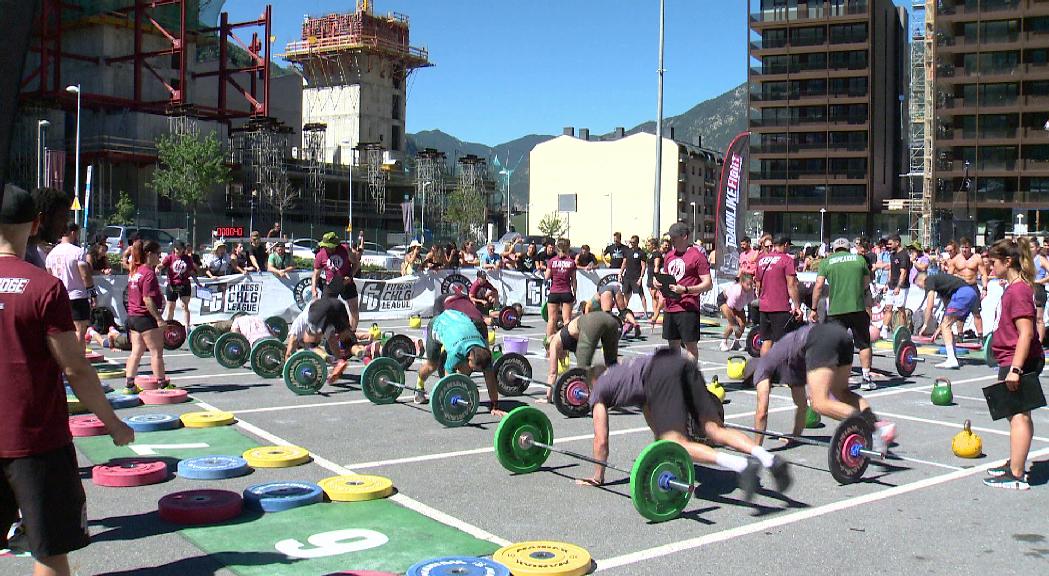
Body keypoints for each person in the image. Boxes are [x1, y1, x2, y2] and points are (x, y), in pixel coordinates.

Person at [0, 184, 135, 576]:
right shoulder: (42, 287)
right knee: (50, 552)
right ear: (36, 224)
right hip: (37, 443)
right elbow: (74, 368)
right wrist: (113, 424)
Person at [578, 348, 791, 499]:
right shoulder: (625, 371)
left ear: (592, 383)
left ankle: (742, 465)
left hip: (660, 374)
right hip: (679, 361)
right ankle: (768, 458)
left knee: (679, 443)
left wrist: (598, 476)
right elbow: (650, 412)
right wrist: (660, 445)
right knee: (715, 430)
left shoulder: (599, 389)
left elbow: (601, 439)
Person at [746, 322, 896, 454]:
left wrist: (756, 450)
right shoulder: (786, 365)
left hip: (817, 338)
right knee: (841, 393)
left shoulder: (762, 367)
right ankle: (875, 423)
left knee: (819, 403)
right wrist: (795, 436)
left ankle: (874, 429)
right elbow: (802, 406)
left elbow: (761, 412)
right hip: (840, 335)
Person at [984, 238, 1044, 490]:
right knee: (1014, 414)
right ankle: (1015, 463)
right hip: (1009, 357)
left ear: (1007, 261)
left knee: (1019, 415)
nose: (989, 268)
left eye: (993, 263)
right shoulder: (1013, 287)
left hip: (1017, 359)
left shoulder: (1018, 291)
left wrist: (1016, 370)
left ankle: (1017, 474)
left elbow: (1026, 333)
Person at [811, 238, 876, 389]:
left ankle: (836, 380)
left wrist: (814, 309)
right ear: (848, 249)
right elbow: (866, 283)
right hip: (857, 307)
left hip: (836, 310)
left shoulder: (826, 262)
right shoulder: (859, 260)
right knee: (864, 344)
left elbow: (819, 286)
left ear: (834, 249)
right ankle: (866, 379)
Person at [415, 309, 504, 416]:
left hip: (458, 324)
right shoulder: (455, 352)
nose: (475, 371)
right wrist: (449, 402)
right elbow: (448, 380)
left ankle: (462, 387)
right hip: (438, 324)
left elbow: (490, 379)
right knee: (432, 365)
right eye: (475, 369)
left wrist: (495, 406)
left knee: (465, 371)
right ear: (469, 359)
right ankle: (418, 387)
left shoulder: (484, 352)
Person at [653, 222, 712, 360]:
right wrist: (659, 283)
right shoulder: (669, 256)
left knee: (690, 347)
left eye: (675, 237)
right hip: (670, 306)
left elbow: (708, 284)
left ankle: (690, 379)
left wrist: (685, 289)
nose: (672, 240)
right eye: (671, 237)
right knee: (672, 346)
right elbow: (668, 277)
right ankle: (676, 378)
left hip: (688, 307)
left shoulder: (697, 256)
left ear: (684, 236)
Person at [123, 240, 170, 394]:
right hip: (145, 317)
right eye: (158, 254)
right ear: (149, 254)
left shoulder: (135, 270)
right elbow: (147, 299)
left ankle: (129, 384)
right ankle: (162, 383)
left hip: (133, 317)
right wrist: (159, 318)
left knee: (136, 351)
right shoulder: (148, 273)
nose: (160, 257)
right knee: (157, 352)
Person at [545, 310, 620, 402]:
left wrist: (548, 398)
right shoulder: (572, 340)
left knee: (581, 371)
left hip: (592, 323)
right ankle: (618, 395)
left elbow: (553, 373)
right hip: (611, 321)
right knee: (612, 366)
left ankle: (597, 399)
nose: (559, 357)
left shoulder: (553, 342)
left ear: (548, 349)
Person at [45, 223, 95, 351]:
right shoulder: (77, 252)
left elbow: (49, 276)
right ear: (73, 233)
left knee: (62, 332)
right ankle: (79, 362)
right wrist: (92, 292)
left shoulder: (51, 254)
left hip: (60, 296)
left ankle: (65, 363)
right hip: (77, 296)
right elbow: (84, 274)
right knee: (79, 331)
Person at [914, 271, 980, 369]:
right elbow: (946, 311)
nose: (921, 288)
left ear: (921, 280)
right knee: (946, 325)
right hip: (971, 293)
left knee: (946, 326)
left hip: (963, 293)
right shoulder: (943, 287)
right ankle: (953, 357)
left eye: (919, 286)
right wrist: (938, 329)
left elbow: (930, 305)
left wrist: (925, 324)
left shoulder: (929, 280)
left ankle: (951, 359)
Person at [755, 235, 801, 357]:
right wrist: (797, 306)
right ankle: (782, 372)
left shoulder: (761, 260)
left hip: (764, 306)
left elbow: (758, 284)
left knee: (766, 341)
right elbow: (791, 285)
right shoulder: (787, 260)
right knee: (783, 342)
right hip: (780, 306)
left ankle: (764, 372)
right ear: (785, 244)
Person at [312, 231, 361, 331]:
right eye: (326, 247)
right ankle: (327, 334)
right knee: (325, 309)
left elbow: (356, 264)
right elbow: (315, 274)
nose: (328, 249)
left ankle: (352, 333)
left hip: (347, 282)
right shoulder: (320, 254)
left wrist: (350, 275)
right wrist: (313, 289)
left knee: (354, 309)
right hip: (331, 284)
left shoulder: (345, 249)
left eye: (330, 247)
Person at [26, 187, 70, 268]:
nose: (66, 229)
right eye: (62, 220)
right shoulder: (25, 259)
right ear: (42, 218)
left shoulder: (32, 253)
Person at [158, 240, 197, 330]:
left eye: (181, 249)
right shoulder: (169, 258)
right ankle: (168, 325)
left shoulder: (187, 259)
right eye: (177, 249)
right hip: (173, 285)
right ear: (174, 249)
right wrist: (157, 268)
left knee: (184, 305)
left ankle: (187, 327)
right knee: (171, 306)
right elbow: (162, 265)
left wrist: (197, 282)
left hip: (184, 284)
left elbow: (191, 271)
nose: (179, 251)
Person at [880, 235, 912, 340]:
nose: (888, 246)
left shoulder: (904, 255)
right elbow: (891, 270)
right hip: (891, 285)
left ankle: (902, 333)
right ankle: (883, 330)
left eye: (890, 244)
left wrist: (898, 286)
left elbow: (904, 273)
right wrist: (886, 284)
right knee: (888, 307)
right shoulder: (892, 254)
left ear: (897, 243)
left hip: (901, 286)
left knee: (900, 309)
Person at [545, 238, 577, 338]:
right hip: (566, 291)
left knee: (552, 319)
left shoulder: (552, 261)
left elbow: (546, 277)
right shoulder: (571, 262)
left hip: (554, 291)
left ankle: (549, 342)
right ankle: (566, 341)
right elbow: (574, 280)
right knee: (567, 319)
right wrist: (574, 293)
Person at [718, 273, 754, 352]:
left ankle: (736, 343)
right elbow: (730, 308)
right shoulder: (736, 292)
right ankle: (723, 343)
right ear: (742, 283)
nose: (750, 287)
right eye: (747, 284)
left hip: (738, 305)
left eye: (751, 284)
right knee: (732, 324)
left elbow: (752, 303)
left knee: (742, 324)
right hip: (724, 301)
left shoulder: (751, 291)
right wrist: (734, 323)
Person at [620, 234, 649, 318]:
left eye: (633, 242)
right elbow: (624, 263)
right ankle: (624, 312)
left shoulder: (641, 253)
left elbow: (643, 266)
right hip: (627, 277)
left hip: (636, 277)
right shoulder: (627, 251)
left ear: (637, 242)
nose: (632, 244)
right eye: (631, 242)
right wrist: (620, 273)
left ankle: (645, 313)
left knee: (641, 294)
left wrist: (640, 278)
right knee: (626, 295)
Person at [647, 237, 669, 327]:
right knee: (653, 296)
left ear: (653, 245)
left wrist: (656, 277)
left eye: (648, 245)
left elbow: (656, 266)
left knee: (659, 297)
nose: (647, 246)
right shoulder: (651, 254)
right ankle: (655, 314)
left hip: (654, 277)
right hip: (650, 276)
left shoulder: (656, 254)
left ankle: (655, 316)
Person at [1031, 238, 1048, 344]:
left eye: (1032, 247)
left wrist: (1040, 281)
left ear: (1037, 248)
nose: (1029, 249)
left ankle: (1039, 343)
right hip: (1027, 289)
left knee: (1039, 318)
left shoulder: (1041, 259)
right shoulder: (1024, 260)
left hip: (1038, 290)